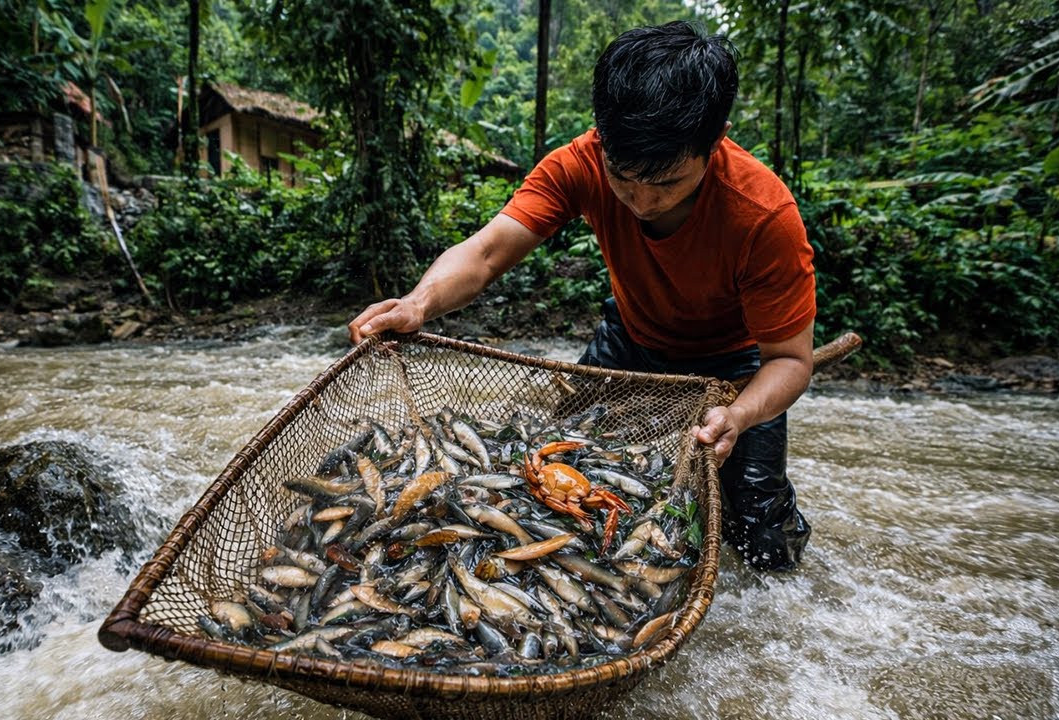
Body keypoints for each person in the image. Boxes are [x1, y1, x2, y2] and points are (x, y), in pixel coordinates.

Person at [347, 21, 815, 571]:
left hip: (736, 365)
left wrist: (740, 414)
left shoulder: (763, 216)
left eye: (666, 183)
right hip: (630, 338)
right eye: (623, 177)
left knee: (759, 529)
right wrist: (418, 304)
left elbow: (788, 360)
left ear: (716, 141)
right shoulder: (580, 162)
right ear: (602, 134)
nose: (640, 200)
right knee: (563, 458)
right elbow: (487, 251)